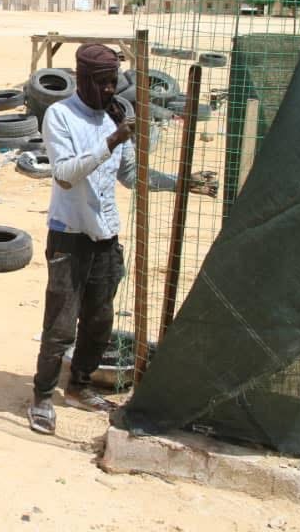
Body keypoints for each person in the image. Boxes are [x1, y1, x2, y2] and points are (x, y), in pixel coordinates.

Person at [27, 44, 216, 435]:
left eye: (114, 81)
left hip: (105, 235)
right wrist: (112, 140)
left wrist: (182, 182)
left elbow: (131, 175)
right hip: (69, 235)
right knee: (61, 325)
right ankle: (42, 396)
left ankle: (79, 386)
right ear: (82, 80)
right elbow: (65, 175)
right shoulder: (60, 116)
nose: (111, 89)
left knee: (99, 320)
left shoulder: (116, 114)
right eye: (103, 82)